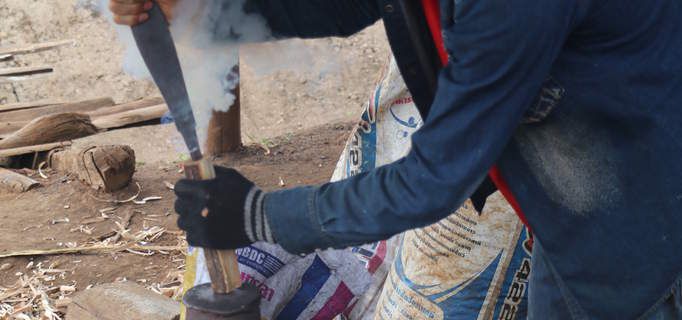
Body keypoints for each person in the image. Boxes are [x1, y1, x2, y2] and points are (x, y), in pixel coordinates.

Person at [110, 0, 682, 318]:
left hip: (645, 226)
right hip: (573, 217)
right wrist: (197, 8)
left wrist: (260, 215)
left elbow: (432, 182)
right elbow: (343, 5)